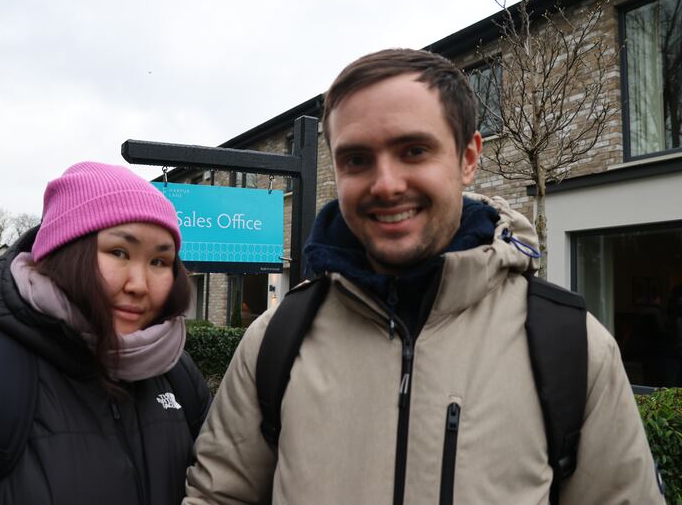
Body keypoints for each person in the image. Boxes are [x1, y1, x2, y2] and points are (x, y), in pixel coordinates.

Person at [184, 49, 663, 504]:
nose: (386, 184)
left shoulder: (572, 346)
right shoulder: (275, 339)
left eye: (413, 150)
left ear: (468, 158)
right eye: (356, 159)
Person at [0, 161, 212, 503]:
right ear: (62, 253)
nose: (140, 285)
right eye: (118, 252)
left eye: (159, 261)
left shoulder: (177, 374)